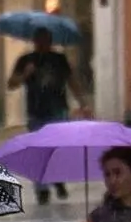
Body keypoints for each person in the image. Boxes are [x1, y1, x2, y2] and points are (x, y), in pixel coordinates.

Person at [8, 28, 85, 203]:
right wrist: (25, 74)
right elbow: (11, 84)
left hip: (58, 110)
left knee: (56, 149)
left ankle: (57, 179)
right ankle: (42, 189)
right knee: (38, 151)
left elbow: (72, 81)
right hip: (36, 112)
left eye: (46, 40)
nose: (43, 43)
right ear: (35, 41)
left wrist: (82, 103)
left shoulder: (59, 59)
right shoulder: (25, 60)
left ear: (51, 41)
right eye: (40, 40)